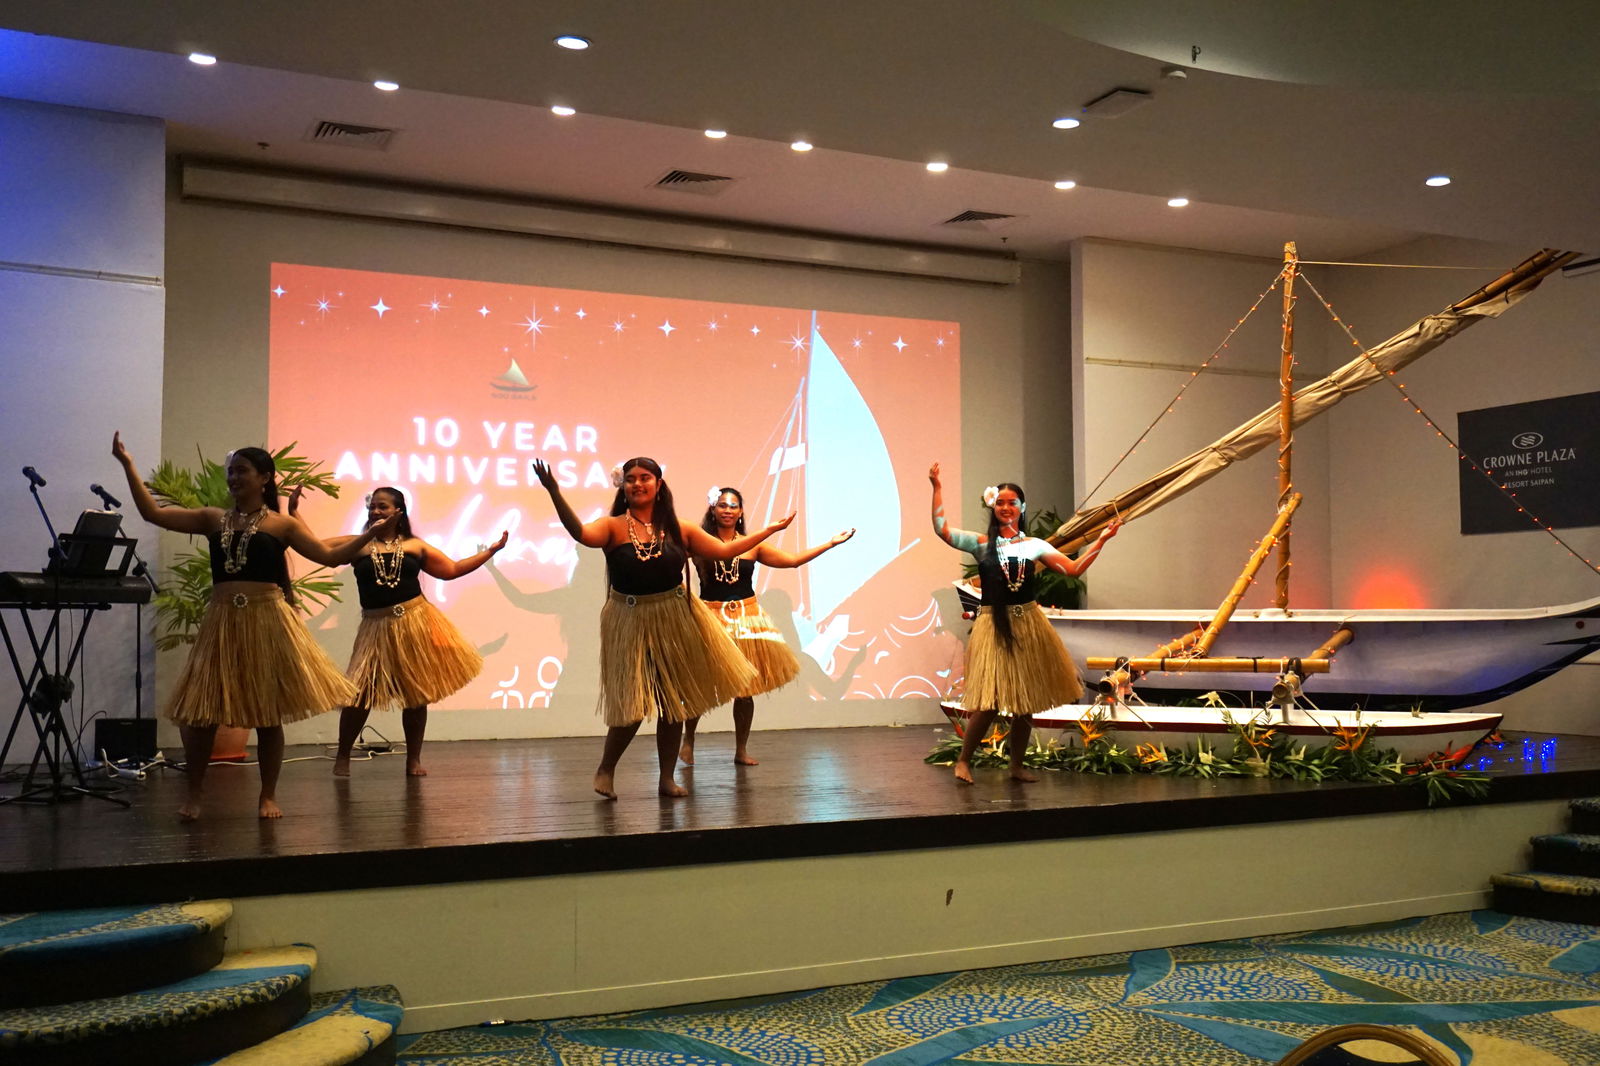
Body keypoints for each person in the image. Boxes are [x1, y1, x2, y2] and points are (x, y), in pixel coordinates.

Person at [111, 433, 399, 820]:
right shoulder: (213, 518)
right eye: (231, 471)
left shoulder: (282, 525)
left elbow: (329, 557)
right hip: (222, 620)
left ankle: (268, 795)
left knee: (267, 714)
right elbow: (153, 514)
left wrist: (369, 535)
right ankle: (194, 793)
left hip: (267, 619)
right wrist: (128, 466)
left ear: (264, 478)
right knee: (202, 715)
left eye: (241, 471)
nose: (233, 477)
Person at [533, 456, 793, 798]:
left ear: (658, 485)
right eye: (631, 479)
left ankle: (666, 778)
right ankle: (606, 769)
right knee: (631, 706)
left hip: (674, 616)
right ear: (623, 486)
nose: (637, 484)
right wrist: (554, 492)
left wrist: (768, 531)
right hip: (628, 618)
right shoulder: (612, 527)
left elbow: (723, 550)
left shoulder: (679, 528)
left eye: (645, 478)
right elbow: (580, 533)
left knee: (673, 701)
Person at [928, 462, 1120, 784]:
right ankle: (963, 761)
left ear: (1022, 507)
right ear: (993, 507)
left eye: (1012, 502)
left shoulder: (1035, 545)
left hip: (1029, 625)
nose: (1006, 508)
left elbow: (1073, 570)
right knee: (989, 702)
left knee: (1024, 701)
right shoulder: (981, 544)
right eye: (1000, 503)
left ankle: (1016, 766)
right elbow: (942, 530)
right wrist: (937, 487)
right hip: (993, 626)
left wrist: (1101, 540)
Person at [302, 487, 507, 777]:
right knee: (359, 695)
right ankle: (343, 756)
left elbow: (451, 570)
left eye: (383, 506)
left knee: (416, 694)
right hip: (375, 627)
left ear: (398, 512)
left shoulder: (414, 546)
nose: (376, 511)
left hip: (414, 622)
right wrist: (295, 514)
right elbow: (314, 547)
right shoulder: (357, 544)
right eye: (372, 506)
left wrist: (490, 552)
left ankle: (413, 760)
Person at [681, 487, 854, 766]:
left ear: (740, 512)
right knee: (702, 685)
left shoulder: (753, 545)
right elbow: (671, 563)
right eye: (722, 505)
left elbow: (793, 561)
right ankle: (688, 740)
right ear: (713, 509)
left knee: (745, 690)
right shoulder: (701, 543)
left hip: (747, 620)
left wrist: (830, 544)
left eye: (733, 506)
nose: (727, 510)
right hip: (711, 619)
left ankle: (741, 750)